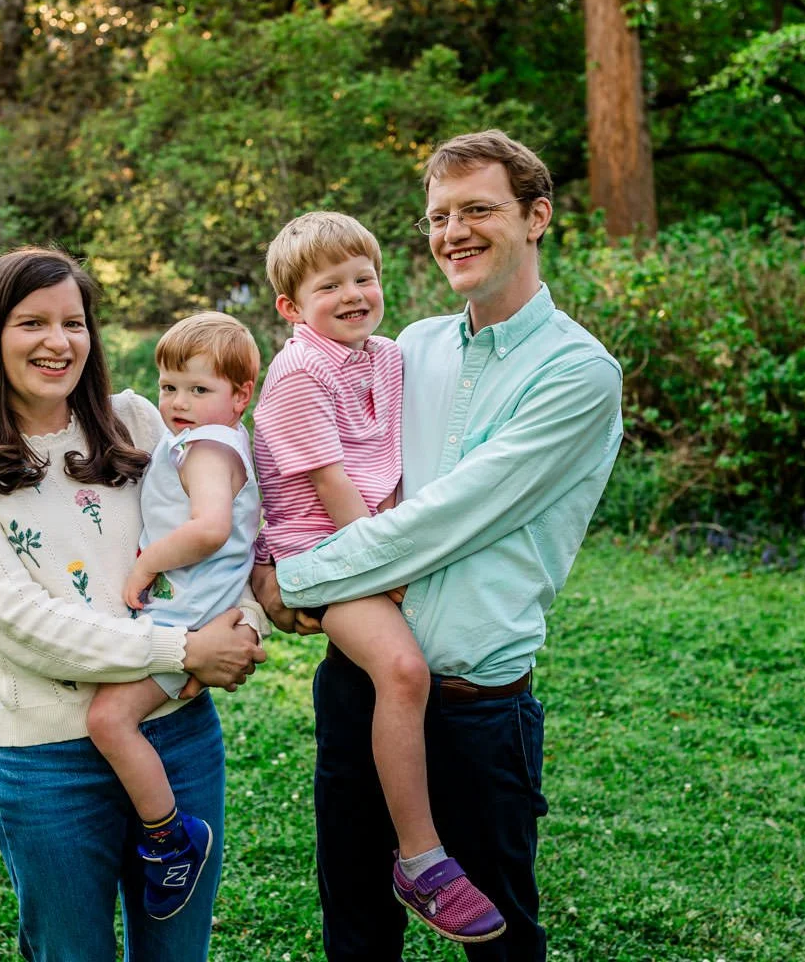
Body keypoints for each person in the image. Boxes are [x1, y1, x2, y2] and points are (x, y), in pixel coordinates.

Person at [251, 130, 624, 961]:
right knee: (354, 930)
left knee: (500, 941)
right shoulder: (403, 349)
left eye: (478, 210)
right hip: (360, 688)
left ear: (537, 218)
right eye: (438, 216)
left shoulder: (577, 374)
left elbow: (445, 518)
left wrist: (289, 580)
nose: (453, 231)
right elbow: (300, 450)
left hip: (475, 709)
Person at [0, 247, 267, 962]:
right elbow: (18, 622)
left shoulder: (138, 418)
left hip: (180, 733)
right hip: (50, 761)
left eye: (74, 322)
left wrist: (244, 626)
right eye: (31, 323)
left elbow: (232, 527)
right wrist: (183, 651)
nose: (58, 342)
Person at [252, 211, 506, 944]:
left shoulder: (386, 356)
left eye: (365, 278)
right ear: (292, 308)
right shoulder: (298, 371)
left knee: (402, 670)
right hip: (317, 551)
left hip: (372, 537)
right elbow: (333, 485)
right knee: (402, 669)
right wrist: (390, 567)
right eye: (330, 285)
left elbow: (391, 464)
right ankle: (421, 860)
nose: (355, 293)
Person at [86, 312, 262, 922]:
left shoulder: (208, 448)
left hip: (184, 618)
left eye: (199, 389)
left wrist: (144, 565)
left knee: (109, 719)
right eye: (169, 387)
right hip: (186, 613)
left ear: (241, 395)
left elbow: (211, 528)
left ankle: (170, 842)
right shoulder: (204, 441)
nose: (179, 402)